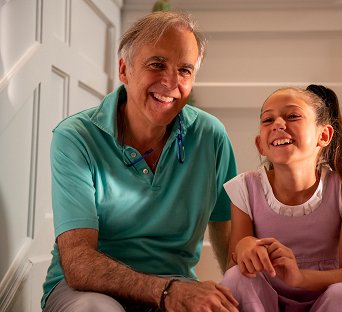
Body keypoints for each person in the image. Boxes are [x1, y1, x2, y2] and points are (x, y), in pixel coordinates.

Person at [41, 11, 239, 312]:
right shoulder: (75, 137)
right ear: (124, 70)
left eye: (184, 70)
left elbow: (227, 237)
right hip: (86, 291)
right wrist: (166, 291)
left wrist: (244, 294)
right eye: (157, 64)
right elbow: (79, 263)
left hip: (175, 285)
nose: (171, 82)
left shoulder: (211, 136)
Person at [220, 85, 342, 311]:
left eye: (292, 116)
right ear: (260, 145)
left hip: (324, 302)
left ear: (323, 135)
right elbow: (234, 271)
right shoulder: (245, 188)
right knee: (237, 277)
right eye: (268, 120)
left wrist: (299, 278)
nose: (277, 124)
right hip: (264, 304)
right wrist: (244, 247)